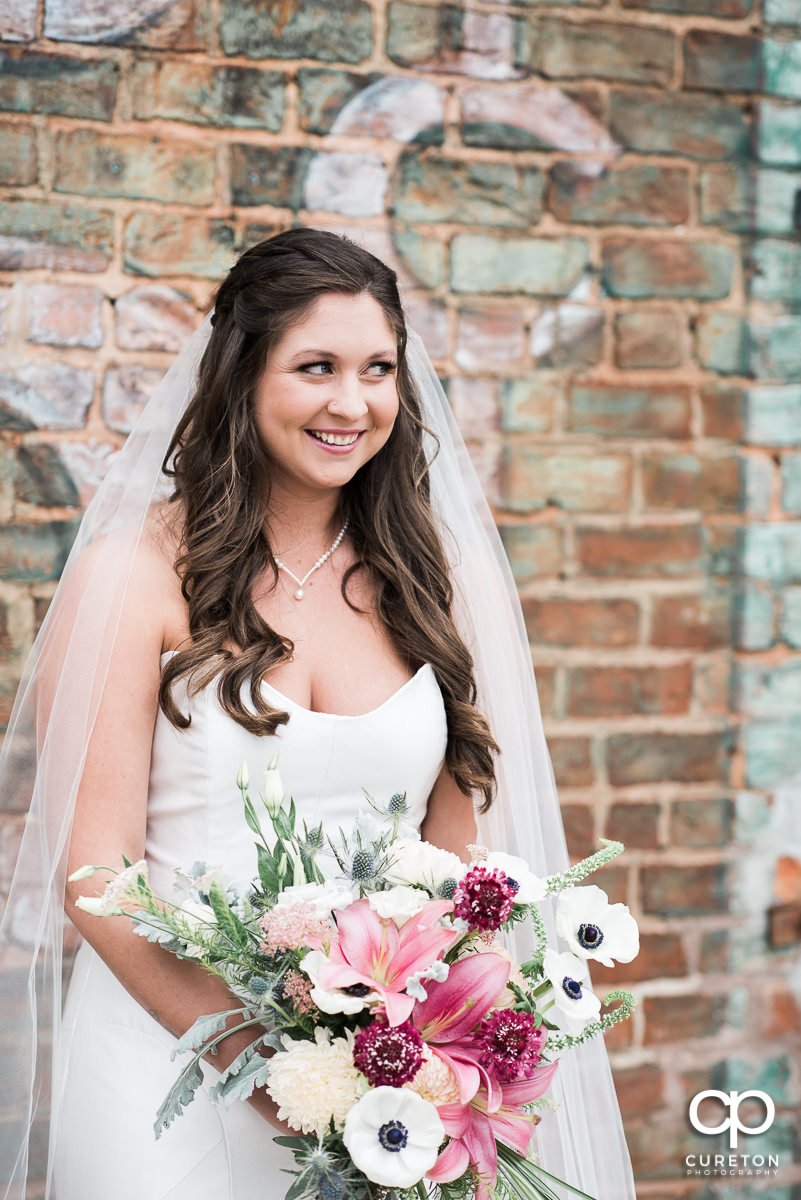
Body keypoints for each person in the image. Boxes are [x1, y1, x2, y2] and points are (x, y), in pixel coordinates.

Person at [0, 229, 636, 1200]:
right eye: (317, 367)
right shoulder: (130, 577)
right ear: (242, 374)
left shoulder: (430, 585)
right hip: (165, 1072)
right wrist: (272, 1069)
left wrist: (435, 1070)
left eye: (378, 368)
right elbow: (96, 879)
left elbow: (462, 862)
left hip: (384, 1096)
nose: (354, 402)